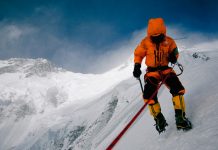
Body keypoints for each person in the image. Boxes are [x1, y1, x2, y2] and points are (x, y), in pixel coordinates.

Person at [133, 18, 192, 133]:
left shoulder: (169, 41)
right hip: (152, 72)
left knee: (178, 89)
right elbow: (138, 54)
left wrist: (173, 58)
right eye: (153, 37)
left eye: (158, 36)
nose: (156, 39)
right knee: (149, 96)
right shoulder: (145, 42)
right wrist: (137, 66)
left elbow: (175, 53)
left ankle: (180, 118)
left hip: (166, 70)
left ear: (163, 33)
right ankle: (159, 119)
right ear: (149, 35)